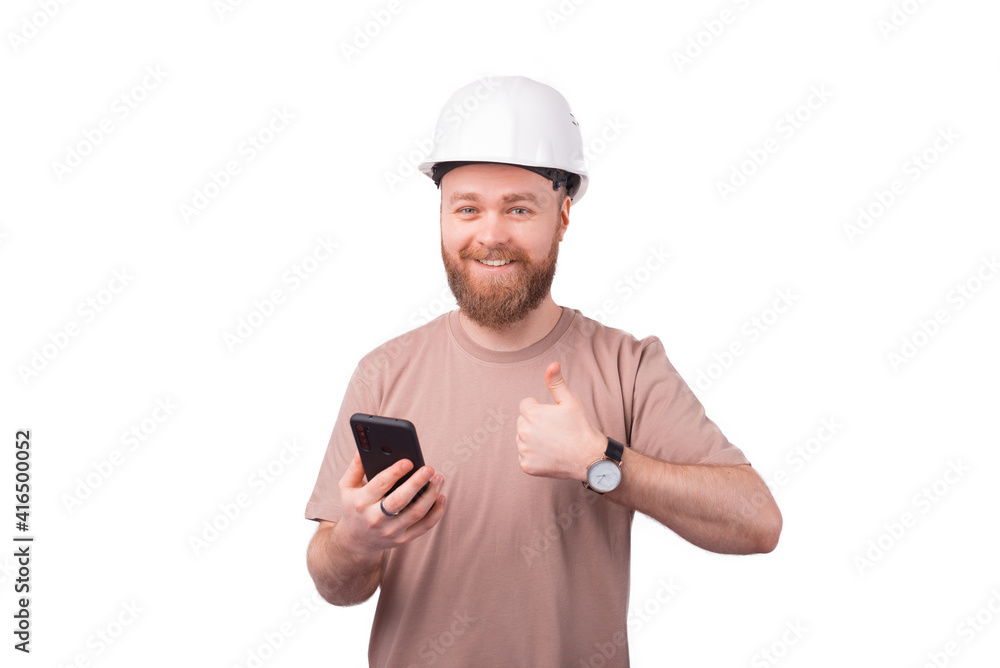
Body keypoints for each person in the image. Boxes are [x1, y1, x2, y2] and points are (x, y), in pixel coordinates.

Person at [304, 75, 782, 667]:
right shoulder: (383, 373)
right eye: (468, 208)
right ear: (444, 217)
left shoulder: (627, 366)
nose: (490, 234)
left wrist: (604, 463)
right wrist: (354, 541)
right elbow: (337, 585)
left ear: (562, 215)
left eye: (519, 208)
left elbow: (757, 523)